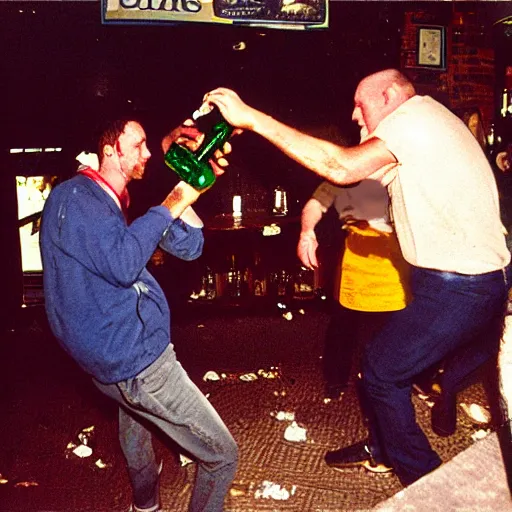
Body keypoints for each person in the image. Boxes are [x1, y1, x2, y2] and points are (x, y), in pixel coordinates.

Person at [204, 69, 511, 486]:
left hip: (459, 285)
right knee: (404, 362)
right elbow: (344, 181)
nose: (353, 113)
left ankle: (429, 482)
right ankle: (386, 445)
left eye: (360, 103)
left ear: (389, 96)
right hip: (469, 280)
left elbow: (341, 166)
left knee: (382, 370)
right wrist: (306, 216)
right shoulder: (430, 124)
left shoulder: (414, 118)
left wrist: (252, 118)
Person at [40, 118, 238, 512]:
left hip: (110, 359)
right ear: (110, 150)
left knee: (138, 423)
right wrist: (175, 199)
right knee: (222, 455)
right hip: (137, 361)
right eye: (140, 145)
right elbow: (124, 261)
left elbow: (190, 247)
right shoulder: (79, 196)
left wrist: (189, 194)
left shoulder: (105, 199)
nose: (148, 153)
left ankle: (144, 507)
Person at [298, 173, 410, 402]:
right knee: (343, 327)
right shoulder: (350, 169)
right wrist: (307, 231)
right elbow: (316, 203)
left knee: (392, 335)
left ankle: (395, 386)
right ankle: (336, 380)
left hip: (395, 267)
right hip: (356, 264)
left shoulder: (403, 168)